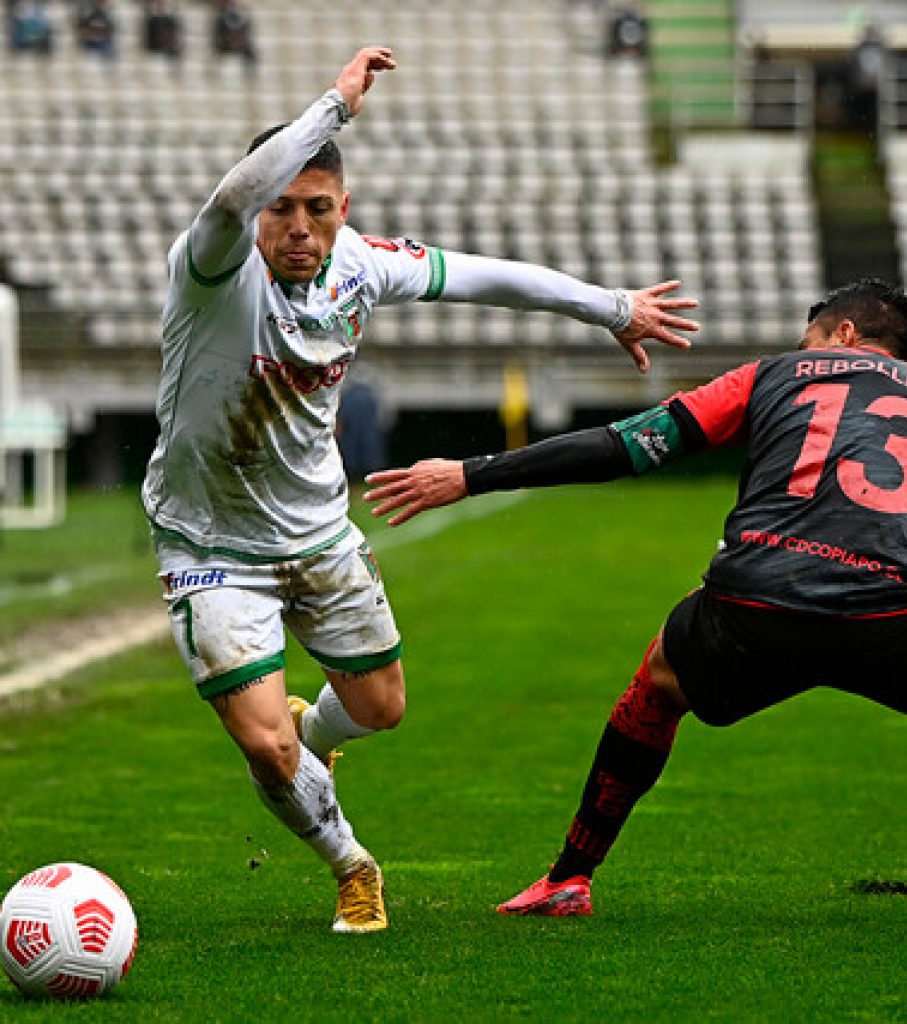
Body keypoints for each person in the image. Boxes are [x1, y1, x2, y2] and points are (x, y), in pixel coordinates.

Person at [141, 45, 699, 934]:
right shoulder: (212, 265)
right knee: (265, 746)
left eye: (318, 209)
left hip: (319, 533)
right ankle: (351, 865)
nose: (298, 227)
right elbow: (229, 200)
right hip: (212, 544)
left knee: (380, 708)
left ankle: (309, 744)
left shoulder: (361, 265)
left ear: (344, 209)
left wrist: (611, 307)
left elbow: (483, 276)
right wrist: (333, 107)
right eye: (282, 208)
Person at [364, 278, 907, 917]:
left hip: (756, 602)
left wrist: (471, 474)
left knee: (657, 684)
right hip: (899, 612)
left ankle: (568, 878)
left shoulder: (773, 374)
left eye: (810, 340)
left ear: (844, 333)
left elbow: (624, 447)